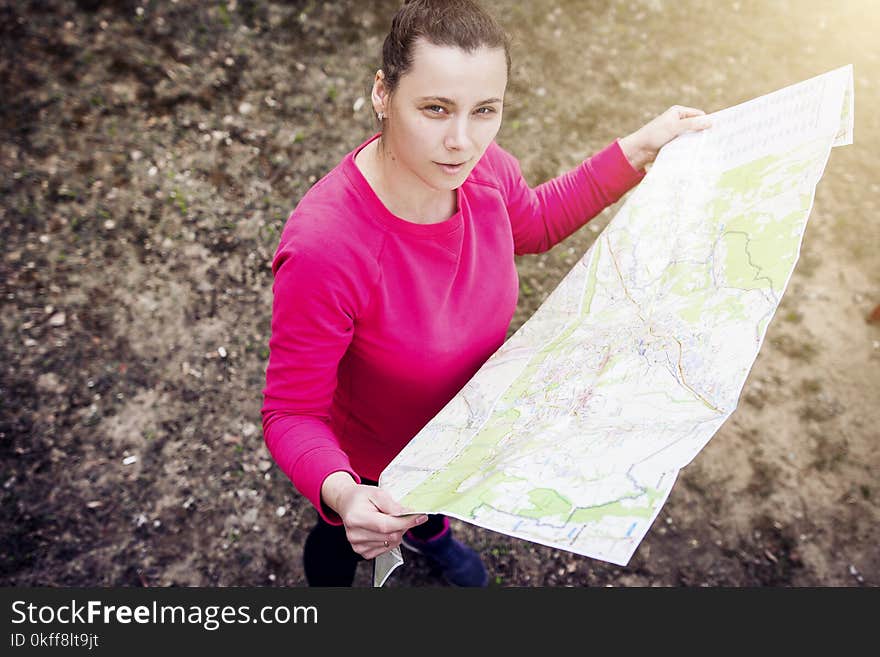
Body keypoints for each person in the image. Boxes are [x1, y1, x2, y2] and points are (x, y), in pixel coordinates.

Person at [261, 0, 710, 587]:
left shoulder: (484, 169)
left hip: (464, 432)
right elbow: (292, 412)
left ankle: (433, 532)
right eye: (435, 108)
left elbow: (537, 222)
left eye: (485, 111)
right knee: (344, 545)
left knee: (430, 510)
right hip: (373, 458)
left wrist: (638, 150)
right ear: (382, 94)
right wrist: (344, 495)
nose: (462, 142)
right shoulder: (327, 249)